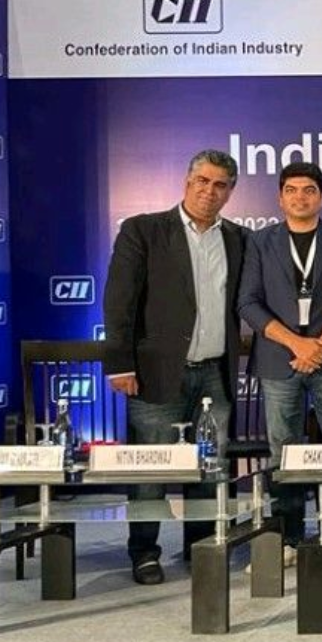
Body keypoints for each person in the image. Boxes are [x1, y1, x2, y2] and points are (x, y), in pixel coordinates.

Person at [104, 150, 247, 585]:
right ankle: (144, 552)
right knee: (150, 469)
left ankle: (201, 548)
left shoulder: (239, 239)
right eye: (202, 181)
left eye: (220, 184)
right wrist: (120, 364)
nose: (209, 190)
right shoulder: (143, 230)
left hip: (215, 372)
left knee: (210, 467)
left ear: (230, 192)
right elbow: (119, 302)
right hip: (154, 372)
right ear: (187, 182)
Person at [236, 162, 322, 570]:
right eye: (292, 190)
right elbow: (248, 303)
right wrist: (296, 343)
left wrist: (320, 344)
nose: (300, 197)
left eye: (309, 190)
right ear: (280, 197)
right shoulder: (260, 241)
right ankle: (286, 536)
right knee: (283, 450)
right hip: (279, 358)